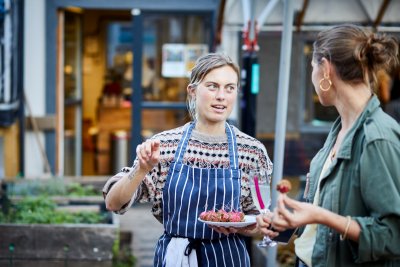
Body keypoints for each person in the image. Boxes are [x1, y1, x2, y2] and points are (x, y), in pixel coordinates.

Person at [103, 53, 273, 266]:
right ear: (192, 91)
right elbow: (113, 202)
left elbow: (260, 216)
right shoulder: (164, 146)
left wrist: (250, 226)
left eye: (230, 88)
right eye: (212, 86)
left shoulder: (251, 151)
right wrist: (141, 170)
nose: (221, 96)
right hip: (176, 257)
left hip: (229, 258)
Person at [257, 24, 400, 267]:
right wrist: (282, 223)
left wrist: (323, 217)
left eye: (312, 67)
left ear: (325, 69)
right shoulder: (338, 130)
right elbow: (316, 215)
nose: (312, 76)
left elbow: (392, 237)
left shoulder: (378, 137)